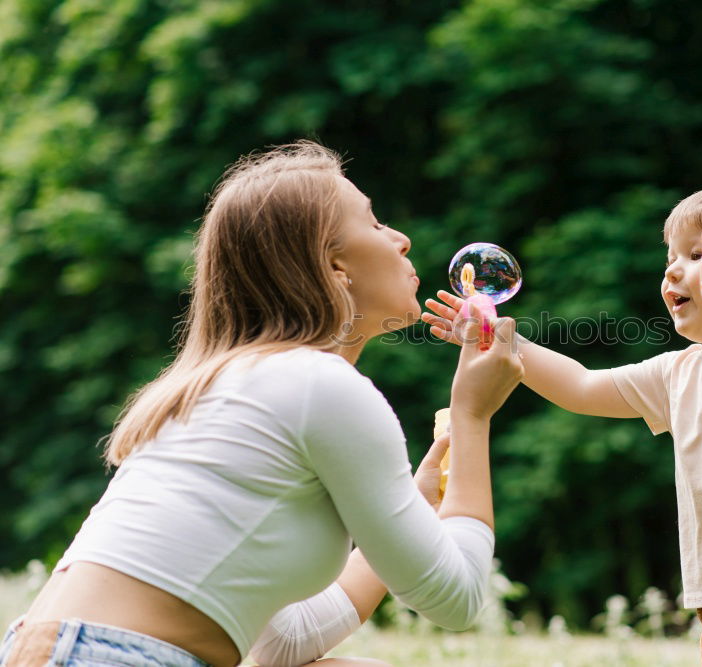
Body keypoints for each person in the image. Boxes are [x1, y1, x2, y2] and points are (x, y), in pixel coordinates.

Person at [1, 141, 523, 667]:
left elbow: (282, 642)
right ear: (334, 265)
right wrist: (472, 417)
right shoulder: (318, 384)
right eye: (376, 222)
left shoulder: (234, 386)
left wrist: (415, 509)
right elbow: (458, 600)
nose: (402, 240)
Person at [423, 170, 702, 666]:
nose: (673, 271)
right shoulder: (677, 372)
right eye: (670, 258)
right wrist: (502, 339)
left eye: (697, 256)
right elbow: (582, 386)